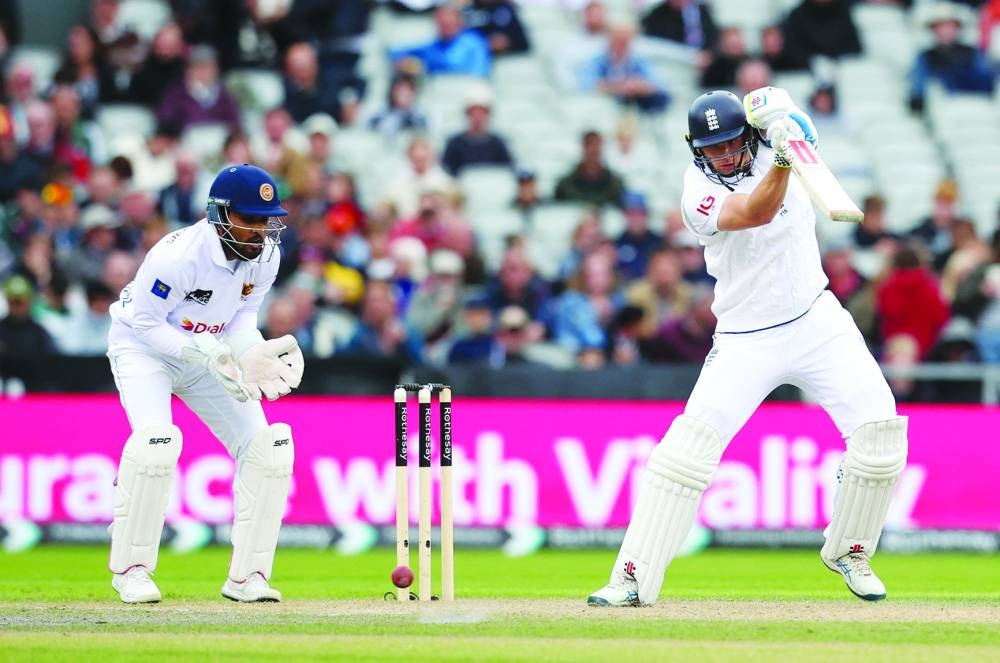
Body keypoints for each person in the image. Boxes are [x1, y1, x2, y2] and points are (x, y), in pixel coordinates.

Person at [587, 87, 908, 607]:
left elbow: (801, 128)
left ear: (749, 134)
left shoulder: (773, 137)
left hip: (815, 317)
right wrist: (783, 156)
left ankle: (850, 549)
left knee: (881, 436)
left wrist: (788, 122)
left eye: (732, 143)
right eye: (711, 147)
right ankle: (631, 578)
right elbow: (757, 211)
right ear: (696, 148)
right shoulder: (697, 193)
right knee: (685, 455)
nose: (723, 155)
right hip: (745, 337)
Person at [105, 164, 305, 604]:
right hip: (144, 349)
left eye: (265, 220)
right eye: (248, 219)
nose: (259, 231)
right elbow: (144, 322)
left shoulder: (267, 256)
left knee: (268, 450)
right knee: (156, 442)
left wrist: (251, 351)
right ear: (219, 213)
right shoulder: (177, 256)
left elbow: (243, 314)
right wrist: (204, 351)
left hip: (210, 351)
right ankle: (132, 571)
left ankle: (247, 577)